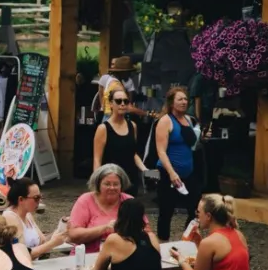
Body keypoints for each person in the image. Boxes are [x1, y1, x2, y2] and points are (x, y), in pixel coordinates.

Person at [169, 194, 250, 270]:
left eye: (198, 212)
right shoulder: (239, 234)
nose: (197, 216)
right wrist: (199, 242)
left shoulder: (210, 242)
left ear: (208, 216)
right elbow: (223, 266)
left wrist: (181, 260)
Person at [155, 87, 201, 242]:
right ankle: (162, 244)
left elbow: (191, 143)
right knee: (166, 210)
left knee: (196, 209)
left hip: (189, 172)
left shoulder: (189, 119)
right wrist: (172, 173)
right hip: (169, 172)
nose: (184, 102)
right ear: (171, 102)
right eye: (180, 99)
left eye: (185, 99)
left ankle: (187, 241)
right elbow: (161, 151)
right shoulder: (165, 121)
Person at [68, 164, 144, 254]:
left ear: (122, 185)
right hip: (88, 255)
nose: (112, 188)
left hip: (122, 255)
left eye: (116, 184)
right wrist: (105, 228)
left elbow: (146, 231)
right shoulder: (85, 200)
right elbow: (73, 235)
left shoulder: (129, 201)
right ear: (98, 184)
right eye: (107, 184)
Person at [93, 88, 147, 196]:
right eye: (118, 101)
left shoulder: (133, 126)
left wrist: (145, 170)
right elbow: (97, 159)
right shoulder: (103, 128)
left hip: (130, 179)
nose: (122, 104)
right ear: (111, 104)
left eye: (125, 101)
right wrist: (97, 183)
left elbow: (133, 153)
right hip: (111, 181)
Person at [3, 177, 67, 258]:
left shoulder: (27, 215)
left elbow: (43, 241)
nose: (40, 201)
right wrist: (53, 243)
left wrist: (61, 229)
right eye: (36, 198)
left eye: (40, 197)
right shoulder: (10, 217)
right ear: (21, 199)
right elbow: (22, 255)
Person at [98, 56, 137, 122]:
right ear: (123, 72)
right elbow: (129, 108)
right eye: (129, 72)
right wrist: (147, 113)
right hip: (113, 119)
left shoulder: (112, 81)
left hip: (107, 116)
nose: (130, 75)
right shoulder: (118, 86)